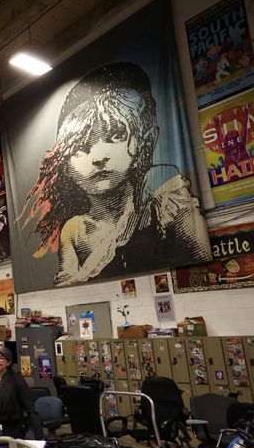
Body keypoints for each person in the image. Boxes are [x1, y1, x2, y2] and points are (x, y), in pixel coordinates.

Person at [18, 62, 210, 287]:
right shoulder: (75, 230)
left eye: (116, 135)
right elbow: (66, 287)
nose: (98, 157)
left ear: (143, 142)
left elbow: (199, 256)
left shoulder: (164, 199)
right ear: (66, 167)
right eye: (80, 147)